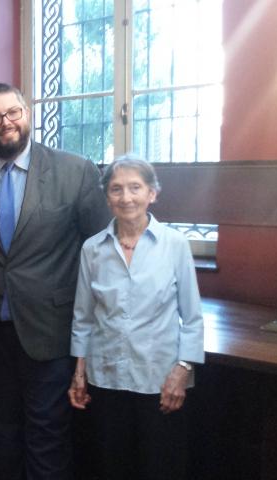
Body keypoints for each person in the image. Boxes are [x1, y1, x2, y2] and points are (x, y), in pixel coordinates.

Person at [0, 83, 110, 479]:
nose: (6, 123)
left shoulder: (75, 171)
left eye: (13, 112)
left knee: (48, 437)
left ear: (27, 113)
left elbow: (99, 252)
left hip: (50, 330)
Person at [68, 155, 204, 479]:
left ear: (152, 194)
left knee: (158, 466)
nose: (126, 197)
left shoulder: (175, 245)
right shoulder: (92, 249)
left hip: (158, 381)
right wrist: (79, 372)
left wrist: (182, 371)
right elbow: (83, 317)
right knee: (111, 466)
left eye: (135, 188)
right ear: (107, 197)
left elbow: (193, 317)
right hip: (106, 379)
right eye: (116, 189)